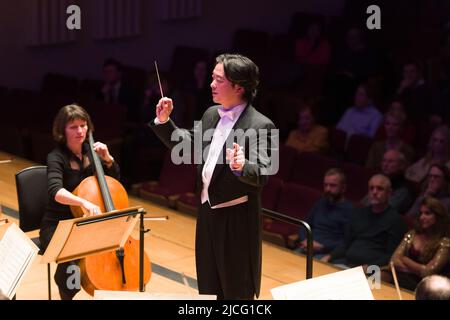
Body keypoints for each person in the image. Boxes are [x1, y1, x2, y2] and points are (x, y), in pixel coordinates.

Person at [150, 54, 276, 300]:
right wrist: (164, 121)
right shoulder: (211, 114)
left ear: (239, 86)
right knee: (208, 288)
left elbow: (263, 173)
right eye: (212, 78)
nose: (211, 84)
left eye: (219, 80)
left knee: (236, 292)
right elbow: (189, 147)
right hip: (208, 213)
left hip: (237, 221)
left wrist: (242, 165)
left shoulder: (262, 126)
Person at [39, 104, 120, 300]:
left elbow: (113, 182)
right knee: (73, 257)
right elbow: (55, 191)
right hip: (59, 225)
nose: (80, 131)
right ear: (62, 130)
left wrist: (108, 159)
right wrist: (82, 202)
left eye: (83, 125)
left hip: (87, 222)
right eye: (73, 127)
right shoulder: (56, 157)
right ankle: (67, 294)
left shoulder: (91, 152)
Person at [321, 174, 407, 269]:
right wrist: (330, 256)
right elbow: (346, 244)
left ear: (389, 193)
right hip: (346, 263)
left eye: (379, 189)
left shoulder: (396, 221)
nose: (374, 192)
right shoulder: (359, 213)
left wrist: (370, 267)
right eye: (371, 188)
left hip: (371, 270)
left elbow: (391, 255)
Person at [383, 197, 450, 291]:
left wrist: (404, 259)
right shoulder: (412, 234)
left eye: (427, 213)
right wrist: (418, 269)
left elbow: (428, 272)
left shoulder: (445, 243)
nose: (422, 217)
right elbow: (393, 261)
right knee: (372, 274)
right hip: (398, 275)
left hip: (422, 286)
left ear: (438, 216)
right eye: (421, 213)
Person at [293, 168, 353, 257]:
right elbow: (305, 225)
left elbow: (346, 242)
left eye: (333, 185)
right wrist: (305, 240)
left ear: (343, 188)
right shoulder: (320, 203)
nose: (328, 189)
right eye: (325, 185)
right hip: (307, 247)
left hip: (326, 253)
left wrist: (323, 246)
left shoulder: (349, 210)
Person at [362, 150, 412, 214]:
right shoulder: (379, 180)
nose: (385, 164)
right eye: (384, 160)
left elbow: (384, 211)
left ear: (401, 165)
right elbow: (363, 203)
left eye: (391, 161)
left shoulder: (404, 189)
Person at [99, 58, 139, 123]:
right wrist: (105, 95)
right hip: (105, 122)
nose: (107, 75)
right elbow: (99, 110)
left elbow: (131, 112)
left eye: (111, 71)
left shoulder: (128, 89)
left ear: (119, 73)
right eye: (105, 72)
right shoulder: (101, 89)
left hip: (123, 123)